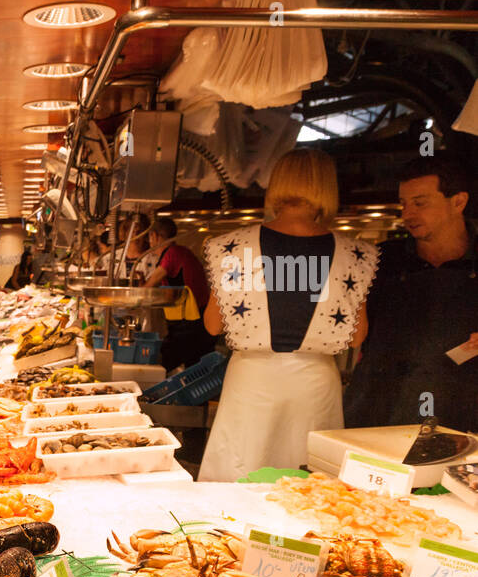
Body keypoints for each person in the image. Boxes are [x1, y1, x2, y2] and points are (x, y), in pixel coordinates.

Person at [198, 148, 379, 481]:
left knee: (239, 472)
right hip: (315, 386)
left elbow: (212, 325)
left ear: (276, 184)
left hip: (251, 381)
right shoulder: (356, 254)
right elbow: (356, 336)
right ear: (327, 187)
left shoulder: (233, 246)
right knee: (308, 481)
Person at [345, 156, 478, 434]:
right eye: (404, 203)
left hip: (464, 415)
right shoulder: (379, 260)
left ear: (458, 202)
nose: (407, 214)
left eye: (420, 203)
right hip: (379, 411)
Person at [138, 217, 216, 372]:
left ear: (154, 236)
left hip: (192, 324)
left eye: (149, 237)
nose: (149, 241)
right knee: (187, 370)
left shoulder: (173, 254)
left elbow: (148, 288)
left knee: (162, 366)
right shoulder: (179, 252)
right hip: (191, 322)